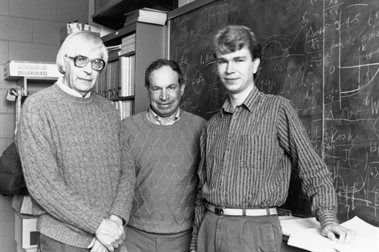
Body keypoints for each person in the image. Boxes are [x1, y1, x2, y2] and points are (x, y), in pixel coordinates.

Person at [190, 25, 353, 252]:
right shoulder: (212, 126)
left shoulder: (277, 110)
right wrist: (195, 244)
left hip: (254, 230)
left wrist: (328, 218)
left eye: (238, 60)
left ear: (255, 64)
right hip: (209, 227)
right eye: (222, 61)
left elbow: (312, 169)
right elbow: (200, 193)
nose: (229, 69)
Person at [16, 31, 135, 252]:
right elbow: (45, 186)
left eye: (97, 63)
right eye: (81, 60)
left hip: (111, 239)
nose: (89, 70)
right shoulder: (37, 107)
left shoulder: (109, 109)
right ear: (65, 62)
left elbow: (127, 171)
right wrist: (98, 225)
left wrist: (116, 221)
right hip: (63, 241)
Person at [120, 58, 206, 252]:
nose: (164, 96)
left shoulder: (201, 128)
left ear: (182, 88)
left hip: (183, 238)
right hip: (134, 236)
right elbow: (116, 185)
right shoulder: (126, 128)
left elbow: (205, 187)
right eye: (156, 88)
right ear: (147, 89)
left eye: (171, 87)